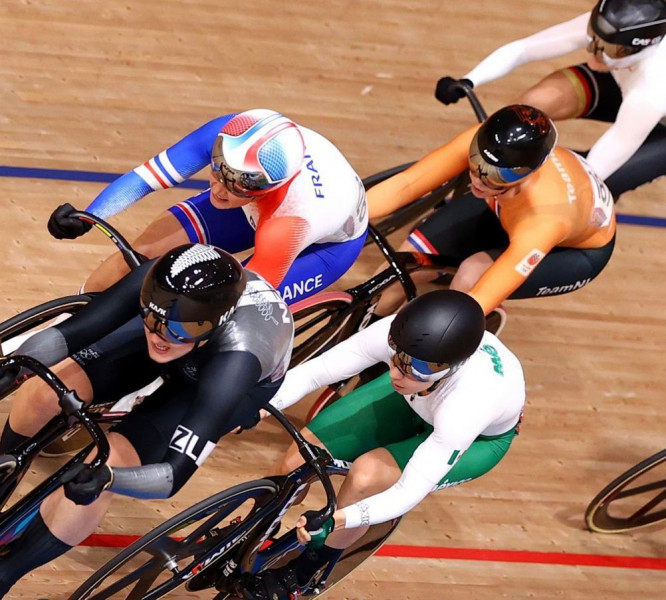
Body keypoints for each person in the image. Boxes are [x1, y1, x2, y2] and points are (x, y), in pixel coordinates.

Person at [0, 243, 294, 597]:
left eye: (174, 330)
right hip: (191, 341)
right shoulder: (162, 287)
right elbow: (71, 333)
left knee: (110, 460)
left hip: (220, 374)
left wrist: (108, 477)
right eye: (151, 320)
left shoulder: (237, 361)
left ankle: (6, 574)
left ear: (211, 324)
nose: (158, 336)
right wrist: (15, 368)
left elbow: (172, 476)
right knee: (43, 394)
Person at [241, 289, 526, 600]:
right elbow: (315, 373)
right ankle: (248, 534)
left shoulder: (470, 404)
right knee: (297, 458)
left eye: (413, 366)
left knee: (364, 478)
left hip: (477, 440)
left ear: (450, 368)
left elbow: (407, 494)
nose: (396, 372)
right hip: (415, 398)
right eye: (395, 357)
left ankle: (306, 572)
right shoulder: (405, 347)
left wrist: (335, 520)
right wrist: (254, 406)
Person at [47, 108, 368, 304]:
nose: (217, 188)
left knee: (217, 310)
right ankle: (65, 321)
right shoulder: (233, 133)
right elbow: (146, 178)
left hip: (326, 246)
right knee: (142, 254)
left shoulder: (291, 221)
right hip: (259, 205)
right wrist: (90, 215)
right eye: (217, 169)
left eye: (236, 183)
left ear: (268, 186)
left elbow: (237, 301)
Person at [368, 104, 616, 318]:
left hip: (572, 252)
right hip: (505, 206)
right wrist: (353, 212)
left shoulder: (545, 220)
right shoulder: (488, 151)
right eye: (476, 162)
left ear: (527, 173)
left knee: (467, 282)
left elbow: (482, 298)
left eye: (496, 175)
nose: (478, 178)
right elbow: (407, 184)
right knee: (394, 273)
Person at [435, 0, 666, 199]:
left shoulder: (653, 86)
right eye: (594, 39)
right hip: (624, 78)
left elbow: (617, 144)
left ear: (646, 46)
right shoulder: (613, 28)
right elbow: (525, 49)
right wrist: (468, 80)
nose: (596, 51)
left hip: (651, 107)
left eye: (610, 49)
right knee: (530, 107)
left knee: (594, 183)